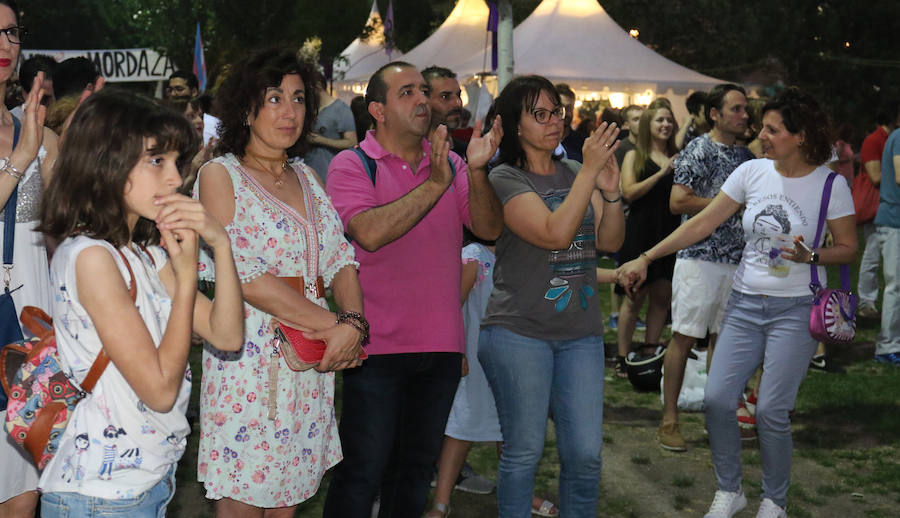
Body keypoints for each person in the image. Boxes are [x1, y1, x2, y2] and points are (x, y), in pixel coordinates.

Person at [618, 87, 856, 518]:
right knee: (718, 398)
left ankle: (774, 500)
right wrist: (647, 256)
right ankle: (730, 490)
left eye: (772, 129)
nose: (760, 134)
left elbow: (848, 247)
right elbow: (701, 223)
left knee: (771, 411)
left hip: (796, 309)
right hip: (744, 305)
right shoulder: (751, 173)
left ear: (799, 136)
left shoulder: (830, 185)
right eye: (762, 127)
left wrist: (812, 255)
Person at [36, 88, 244, 518]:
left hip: (146, 481)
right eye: (156, 160)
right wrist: (187, 280)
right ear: (106, 162)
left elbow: (228, 333)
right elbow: (160, 389)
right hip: (102, 495)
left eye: (175, 162)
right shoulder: (91, 257)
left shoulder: (143, 253)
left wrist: (220, 244)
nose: (174, 178)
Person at [322, 61, 502, 518]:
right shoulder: (351, 164)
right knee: (364, 471)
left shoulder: (453, 162)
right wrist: (436, 183)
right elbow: (369, 232)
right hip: (374, 346)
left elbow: (487, 228)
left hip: (439, 346)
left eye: (424, 90)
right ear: (377, 110)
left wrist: (476, 172)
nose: (422, 99)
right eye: (407, 92)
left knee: (414, 472)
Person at [194, 48, 365, 518]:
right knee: (243, 506)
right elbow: (242, 274)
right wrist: (337, 324)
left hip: (308, 363)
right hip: (248, 363)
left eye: (297, 98)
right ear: (247, 109)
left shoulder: (307, 177)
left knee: (287, 507)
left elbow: (340, 259)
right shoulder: (220, 176)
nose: (289, 112)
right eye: (273, 98)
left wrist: (352, 321)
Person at [478, 75, 624, 517]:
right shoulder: (504, 177)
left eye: (557, 112)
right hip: (520, 332)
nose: (553, 122)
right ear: (516, 125)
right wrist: (589, 175)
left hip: (579, 334)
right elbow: (555, 234)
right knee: (523, 452)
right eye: (539, 114)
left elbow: (611, 242)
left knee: (585, 454)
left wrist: (612, 191)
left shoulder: (577, 172)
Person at [655, 83, 755, 452]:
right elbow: (677, 201)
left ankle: (719, 419)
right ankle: (669, 419)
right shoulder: (698, 148)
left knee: (724, 344)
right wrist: (724, 205)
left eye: (745, 109)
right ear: (715, 114)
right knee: (683, 336)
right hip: (699, 257)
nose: (744, 115)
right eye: (737, 109)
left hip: (737, 261)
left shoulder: (746, 158)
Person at [0, 3, 60, 515]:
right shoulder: (29, 142)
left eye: (10, 32)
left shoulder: (34, 129)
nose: (3, 44)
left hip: (31, 321)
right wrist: (22, 159)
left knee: (24, 487)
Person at [614, 99, 681, 372]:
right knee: (634, 296)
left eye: (668, 120)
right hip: (641, 230)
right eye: (659, 120)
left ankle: (650, 351)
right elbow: (628, 193)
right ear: (648, 125)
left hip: (669, 231)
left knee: (663, 294)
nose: (665, 125)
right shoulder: (634, 155)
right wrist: (662, 173)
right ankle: (622, 356)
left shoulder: (680, 154)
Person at [856, 101, 900, 319]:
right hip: (877, 206)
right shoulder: (874, 140)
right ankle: (866, 302)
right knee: (872, 256)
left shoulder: (890, 138)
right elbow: (874, 176)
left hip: (889, 206)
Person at [873, 126, 900, 365]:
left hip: (894, 222)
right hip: (894, 222)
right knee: (896, 285)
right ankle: (887, 346)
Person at [304, 72, 357, 182]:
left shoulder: (341, 109)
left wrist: (321, 140)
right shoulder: (311, 109)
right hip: (309, 174)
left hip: (330, 176)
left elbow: (352, 142)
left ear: (317, 85)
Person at [423, 65, 468, 157]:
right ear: (424, 100)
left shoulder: (467, 152)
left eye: (458, 95)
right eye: (445, 97)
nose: (458, 103)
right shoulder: (411, 157)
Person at [165, 70, 220, 145]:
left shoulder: (215, 126)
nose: (173, 94)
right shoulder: (163, 124)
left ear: (194, 92)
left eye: (179, 89)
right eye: (170, 90)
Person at [10, 53, 56, 119]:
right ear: (24, 94)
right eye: (45, 98)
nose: (54, 103)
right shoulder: (11, 124)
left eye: (60, 94)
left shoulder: (69, 120)